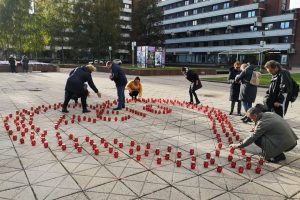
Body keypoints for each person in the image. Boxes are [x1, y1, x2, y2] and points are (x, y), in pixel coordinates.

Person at [229, 107, 298, 163]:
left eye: (251, 118)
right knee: (260, 135)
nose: (252, 120)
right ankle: (276, 152)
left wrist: (238, 145)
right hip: (292, 140)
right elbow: (268, 126)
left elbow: (253, 137)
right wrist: (256, 128)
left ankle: (278, 155)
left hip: (287, 144)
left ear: (255, 115)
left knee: (257, 139)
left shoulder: (262, 122)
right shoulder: (269, 113)